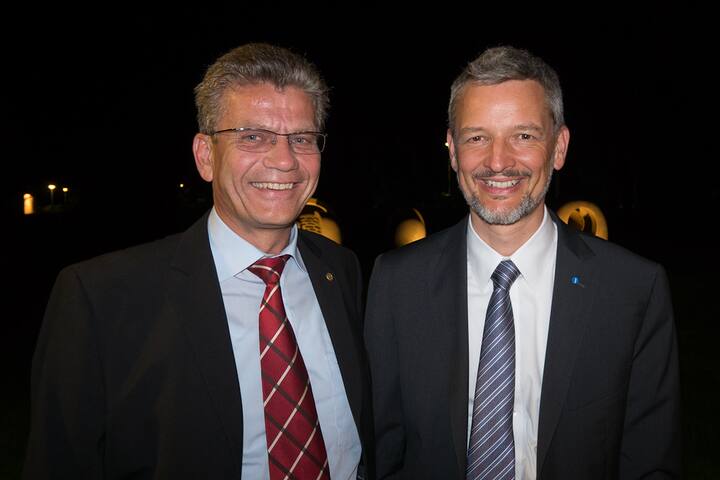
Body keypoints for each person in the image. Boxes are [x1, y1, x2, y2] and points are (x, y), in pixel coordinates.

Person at [24, 43, 374, 480]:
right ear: (205, 155)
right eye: (253, 136)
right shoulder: (101, 299)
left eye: (301, 139)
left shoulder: (341, 271)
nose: (285, 160)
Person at [364, 46, 680, 479]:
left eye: (524, 136)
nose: (498, 161)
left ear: (559, 147)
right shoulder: (396, 284)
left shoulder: (633, 291)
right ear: (452, 150)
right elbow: (383, 455)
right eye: (477, 137)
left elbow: (650, 464)